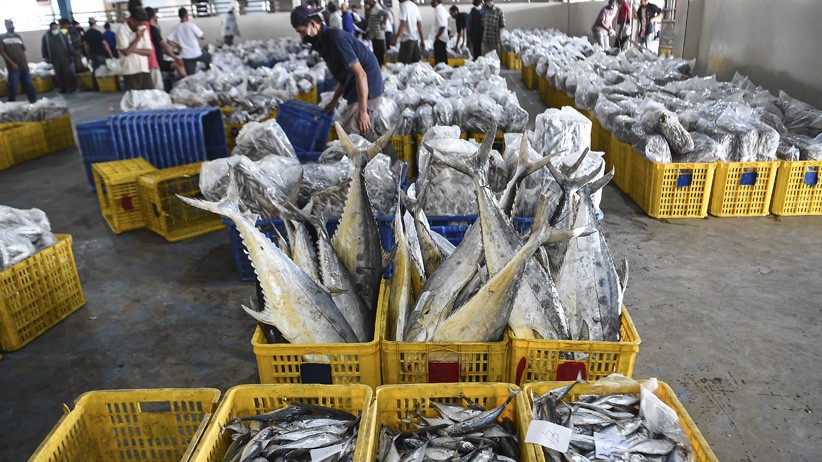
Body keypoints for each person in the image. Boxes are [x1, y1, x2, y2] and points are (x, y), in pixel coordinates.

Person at [291, 6, 384, 136]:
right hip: (356, 87)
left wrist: (362, 111)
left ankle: (385, 153)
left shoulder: (336, 39)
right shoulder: (320, 42)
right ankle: (379, 150)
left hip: (369, 87)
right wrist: (333, 101)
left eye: (301, 31)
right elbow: (344, 76)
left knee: (352, 136)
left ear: (312, 23)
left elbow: (361, 74)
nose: (301, 36)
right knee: (361, 134)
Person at [0, 19, 36, 103]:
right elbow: (2, 52)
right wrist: (12, 63)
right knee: (13, 85)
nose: (11, 25)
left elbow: (23, 50)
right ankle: (11, 104)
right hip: (13, 66)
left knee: (28, 83)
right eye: (9, 24)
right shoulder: (2, 37)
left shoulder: (18, 36)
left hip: (23, 65)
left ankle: (33, 101)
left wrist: (26, 63)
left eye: (11, 24)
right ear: (5, 26)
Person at [146, 7, 186, 82]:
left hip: (150, 60)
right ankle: (186, 83)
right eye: (155, 15)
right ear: (153, 16)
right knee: (178, 64)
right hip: (156, 61)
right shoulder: (153, 29)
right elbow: (164, 45)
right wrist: (175, 58)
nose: (156, 17)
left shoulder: (144, 28)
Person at [117, 9, 153, 91]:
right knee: (135, 99)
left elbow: (149, 52)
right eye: (140, 23)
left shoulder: (143, 28)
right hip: (130, 71)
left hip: (144, 69)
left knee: (149, 97)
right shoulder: (121, 30)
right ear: (132, 20)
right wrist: (138, 37)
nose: (142, 25)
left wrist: (131, 49)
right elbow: (126, 53)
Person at [168, 8, 210, 76]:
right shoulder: (191, 25)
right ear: (186, 15)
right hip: (197, 54)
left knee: (190, 76)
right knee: (208, 56)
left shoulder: (175, 28)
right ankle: (208, 72)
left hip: (186, 56)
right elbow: (203, 37)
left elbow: (168, 41)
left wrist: (178, 46)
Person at [42, 22, 76, 93]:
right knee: (58, 74)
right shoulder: (46, 37)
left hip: (64, 56)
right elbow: (44, 47)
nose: (55, 28)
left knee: (67, 72)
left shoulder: (61, 35)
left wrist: (71, 53)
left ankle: (70, 87)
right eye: (53, 27)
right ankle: (62, 88)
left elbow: (67, 44)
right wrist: (45, 56)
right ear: (51, 28)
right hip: (54, 58)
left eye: (56, 27)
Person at [391, 0, 424, 64]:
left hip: (406, 41)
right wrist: (422, 40)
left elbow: (403, 23)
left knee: (403, 65)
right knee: (416, 64)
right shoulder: (414, 6)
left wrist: (395, 39)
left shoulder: (403, 5)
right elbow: (419, 24)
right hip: (415, 40)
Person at [365, 0, 388, 66]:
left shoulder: (377, 8)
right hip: (373, 34)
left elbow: (386, 14)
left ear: (373, 1)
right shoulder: (372, 9)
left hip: (378, 34)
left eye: (369, 1)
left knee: (379, 52)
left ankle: (380, 66)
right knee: (376, 51)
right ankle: (378, 66)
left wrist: (383, 24)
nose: (368, 3)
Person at [431, 0, 449, 65]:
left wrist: (437, 36)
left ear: (436, 1)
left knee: (440, 61)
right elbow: (447, 18)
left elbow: (443, 26)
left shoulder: (439, 11)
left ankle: (440, 73)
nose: (431, 2)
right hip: (442, 38)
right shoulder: (441, 9)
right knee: (443, 58)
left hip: (440, 39)